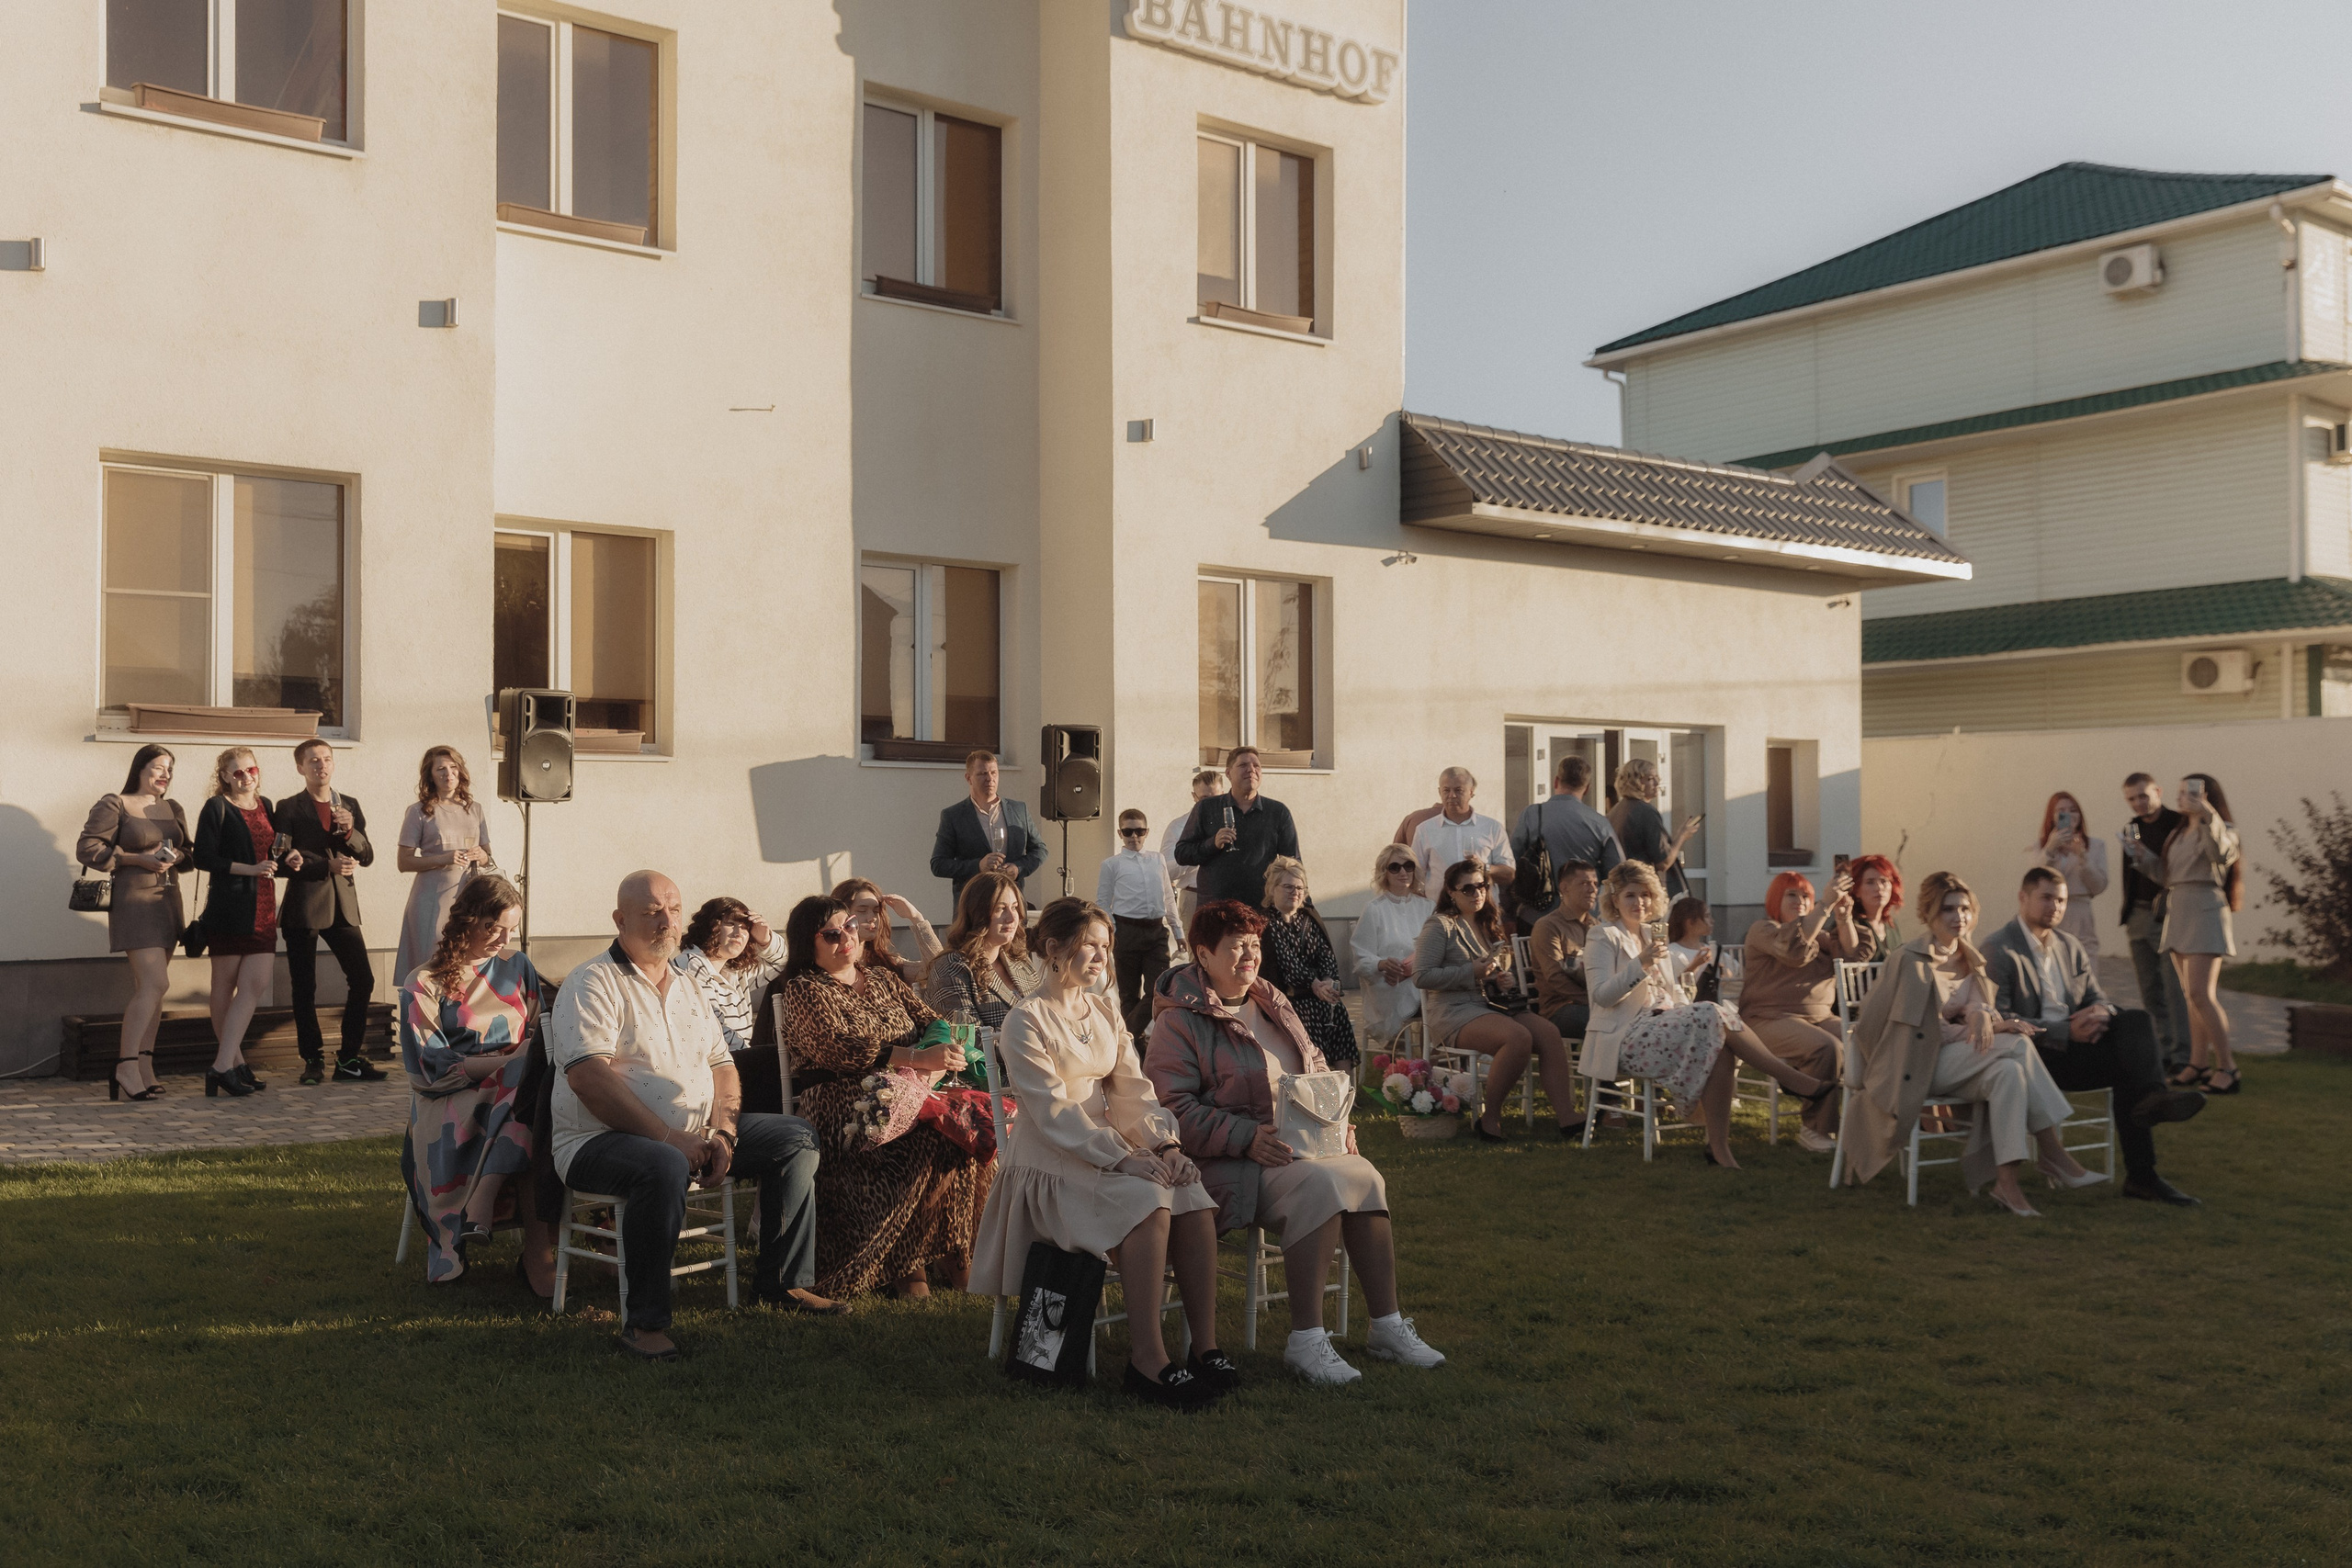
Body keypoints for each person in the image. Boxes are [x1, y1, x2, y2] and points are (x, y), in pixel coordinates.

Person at [1147, 899, 1447, 1385]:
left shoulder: (1272, 1001)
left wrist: (1336, 1121)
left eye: (1254, 944)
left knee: (1365, 1175)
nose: (1249, 955)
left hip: (1297, 1147)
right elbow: (1168, 1107)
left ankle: (1386, 1325)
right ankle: (1307, 1340)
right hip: (1224, 1162)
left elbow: (1316, 1072)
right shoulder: (1179, 1021)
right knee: (1319, 1186)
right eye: (1235, 946)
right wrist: (1244, 1137)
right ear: (1202, 956)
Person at [550, 871, 838, 1361]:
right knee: (662, 1164)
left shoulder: (688, 984)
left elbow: (723, 1066)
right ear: (620, 920)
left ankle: (784, 1284)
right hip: (596, 1140)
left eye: (674, 909)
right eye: (650, 912)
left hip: (696, 1130)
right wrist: (670, 1139)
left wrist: (723, 1133)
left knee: (795, 1137)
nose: (667, 920)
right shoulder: (592, 981)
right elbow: (588, 1079)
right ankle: (644, 1324)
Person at [971, 897, 1227, 1408]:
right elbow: (1052, 1113)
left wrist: (1164, 1143)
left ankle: (1206, 1348)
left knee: (1191, 1195)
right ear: (1053, 949)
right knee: (1146, 1200)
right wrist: (1120, 1157)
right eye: (1089, 946)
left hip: (1104, 1145)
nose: (1101, 958)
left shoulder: (1106, 1010)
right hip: (1049, 1158)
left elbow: (1133, 1091)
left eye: (1106, 948)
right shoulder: (1027, 1021)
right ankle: (1147, 1360)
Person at [1838, 871, 2098, 1216]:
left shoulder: (1969, 957)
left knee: (2008, 1074)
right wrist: (1995, 1025)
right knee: (2017, 1045)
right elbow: (1921, 1031)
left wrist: (1983, 1016)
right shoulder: (1911, 960)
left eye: (1964, 908)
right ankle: (2054, 1153)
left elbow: (1978, 1009)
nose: (1958, 916)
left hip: (1959, 1059)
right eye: (1948, 909)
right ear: (1931, 913)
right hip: (1919, 1066)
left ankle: (2007, 1185)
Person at [775, 896, 991, 1300]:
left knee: (962, 1134)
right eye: (832, 933)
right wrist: (914, 1057)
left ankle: (955, 1256)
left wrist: (940, 1054)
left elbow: (933, 1021)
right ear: (810, 943)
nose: (847, 938)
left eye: (851, 926)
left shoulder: (881, 978)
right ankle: (907, 1266)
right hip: (846, 1103)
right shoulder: (805, 989)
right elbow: (838, 1048)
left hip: (912, 1091)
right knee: (929, 1139)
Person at [1979, 868, 2208, 1205]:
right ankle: (2146, 1150)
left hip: (2076, 1050)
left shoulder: (2069, 946)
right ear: (2022, 897)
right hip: (2033, 1059)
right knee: (2130, 1066)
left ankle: (2146, 1155)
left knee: (2135, 1020)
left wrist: (2102, 1013)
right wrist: (2063, 1030)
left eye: (2061, 900)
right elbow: (1999, 1018)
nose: (2055, 907)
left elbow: (2095, 997)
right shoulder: (1999, 948)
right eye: (2046, 898)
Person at [1585, 863, 1833, 1168]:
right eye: (1630, 896)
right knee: (1713, 1012)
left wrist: (1681, 1004)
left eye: (1646, 895)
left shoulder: (1654, 934)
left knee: (1720, 1044)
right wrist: (1641, 963)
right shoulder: (1602, 935)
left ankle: (1719, 1149)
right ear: (1615, 900)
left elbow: (1671, 991)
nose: (1640, 903)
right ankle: (1791, 1078)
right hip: (1624, 1037)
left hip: (1661, 1027)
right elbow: (1601, 996)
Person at [398, 874, 556, 1285]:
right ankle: (541, 1265)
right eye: (492, 927)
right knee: (529, 1088)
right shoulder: (424, 982)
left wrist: (522, 1061)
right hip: (454, 1100)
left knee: (531, 1086)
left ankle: (486, 1197)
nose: (502, 939)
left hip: (516, 1093)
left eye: (511, 929)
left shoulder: (518, 968)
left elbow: (541, 1032)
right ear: (466, 919)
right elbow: (429, 1066)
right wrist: (511, 1063)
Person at [1413, 859, 1580, 1140]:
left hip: (1494, 1005)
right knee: (1517, 1038)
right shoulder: (1440, 925)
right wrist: (1471, 972)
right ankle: (1490, 1119)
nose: (1477, 893)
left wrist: (1504, 979)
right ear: (1451, 892)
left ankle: (1567, 1117)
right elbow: (1422, 976)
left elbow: (1497, 970)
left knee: (1549, 1033)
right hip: (1454, 1010)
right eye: (1468, 888)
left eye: (1481, 886)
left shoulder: (1488, 922)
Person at [75, 744, 191, 1102]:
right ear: (140, 769)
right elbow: (87, 848)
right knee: (156, 983)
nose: (164, 774)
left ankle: (144, 1066)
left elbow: (191, 854)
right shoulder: (116, 803)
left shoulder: (172, 808)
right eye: (158, 767)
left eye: (169, 769)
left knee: (152, 989)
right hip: (134, 903)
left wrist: (175, 857)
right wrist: (137, 859)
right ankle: (125, 1065)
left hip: (167, 901)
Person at [192, 747, 300, 1100]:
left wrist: (289, 860)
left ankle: (224, 1064)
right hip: (229, 906)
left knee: (254, 986)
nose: (246, 777)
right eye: (237, 773)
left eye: (250, 770)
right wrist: (250, 869)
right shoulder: (218, 807)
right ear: (224, 776)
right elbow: (204, 857)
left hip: (264, 906)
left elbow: (272, 856)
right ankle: (231, 1063)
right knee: (224, 986)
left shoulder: (266, 805)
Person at [272, 738, 382, 1085]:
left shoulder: (348, 804)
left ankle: (348, 1058)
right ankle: (312, 1059)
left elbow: (366, 856)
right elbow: (281, 859)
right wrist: (325, 866)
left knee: (363, 980)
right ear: (300, 767)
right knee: (304, 986)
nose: (321, 765)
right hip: (304, 906)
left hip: (343, 907)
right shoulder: (288, 807)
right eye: (313, 760)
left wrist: (350, 830)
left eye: (327, 759)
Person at [2128, 773, 2245, 1095]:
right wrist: (2140, 857)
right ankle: (2197, 1064)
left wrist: (2209, 815)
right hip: (2178, 911)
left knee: (2201, 994)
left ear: (2208, 796)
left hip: (2206, 910)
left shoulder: (2221, 828)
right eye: (2180, 792)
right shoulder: (2178, 833)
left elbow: (2220, 854)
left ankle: (2228, 1068)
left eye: (2190, 792)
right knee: (2190, 996)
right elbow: (2168, 875)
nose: (2182, 797)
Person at [1740, 869, 1868, 1156]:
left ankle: (1868, 1125)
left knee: (1865, 1039)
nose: (1800, 900)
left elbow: (1853, 955)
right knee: (1828, 1048)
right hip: (1768, 1018)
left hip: (1821, 1016)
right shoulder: (1763, 930)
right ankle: (1815, 1129)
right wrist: (1824, 905)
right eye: (1791, 894)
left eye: (1806, 896)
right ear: (1776, 899)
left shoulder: (1822, 935)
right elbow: (1793, 949)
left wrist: (1844, 917)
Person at [393, 746, 492, 987]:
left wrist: (481, 855)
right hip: (431, 898)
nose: (448, 774)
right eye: (441, 769)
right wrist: (444, 858)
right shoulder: (419, 811)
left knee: (466, 961)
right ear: (431, 776)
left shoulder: (474, 809)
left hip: (468, 897)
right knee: (432, 962)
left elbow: (489, 856)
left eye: (453, 767)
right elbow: (403, 862)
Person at [2117, 773, 2192, 1076]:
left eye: (2143, 796)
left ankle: (2182, 1056)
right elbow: (2129, 877)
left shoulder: (2178, 824)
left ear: (2158, 791)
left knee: (2174, 988)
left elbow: (2176, 872)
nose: (2139, 803)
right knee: (2149, 988)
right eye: (2132, 798)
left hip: (2170, 914)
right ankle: (2161, 1052)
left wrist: (2146, 856)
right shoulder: (2130, 828)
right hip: (2137, 913)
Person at [1258, 856, 1359, 1073]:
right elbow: (1288, 964)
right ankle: (1315, 1084)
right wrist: (1314, 985)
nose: (1295, 892)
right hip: (1288, 997)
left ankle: (1345, 1089)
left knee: (1337, 1011)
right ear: (1272, 888)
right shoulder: (1267, 922)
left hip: (1318, 993)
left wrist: (1328, 981)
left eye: (1299, 888)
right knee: (1309, 1015)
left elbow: (1327, 956)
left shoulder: (1309, 918)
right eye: (1287, 886)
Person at [1174, 747, 1301, 908]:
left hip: (1260, 908)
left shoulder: (1277, 812)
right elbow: (1182, 854)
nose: (1251, 770)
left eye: (1256, 766)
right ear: (1228, 773)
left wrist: (1301, 906)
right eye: (1243, 765)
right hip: (1216, 909)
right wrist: (1212, 844)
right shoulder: (1207, 808)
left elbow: (1293, 864)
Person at [1510, 755, 1624, 924]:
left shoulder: (1532, 814)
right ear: (1587, 789)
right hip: (1584, 916)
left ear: (1556, 781)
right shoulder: (1599, 823)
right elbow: (1617, 871)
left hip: (1535, 913)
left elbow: (1511, 862)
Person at [1096, 808, 1179, 1039]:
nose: (1134, 837)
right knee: (1128, 995)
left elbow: (1168, 896)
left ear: (1147, 831)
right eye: (1128, 832)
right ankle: (1134, 1048)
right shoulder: (1111, 865)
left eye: (1139, 831)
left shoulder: (1157, 859)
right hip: (1126, 930)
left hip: (1155, 931)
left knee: (1160, 989)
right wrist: (1113, 931)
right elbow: (1103, 902)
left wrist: (1178, 929)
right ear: (1120, 833)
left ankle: (1124, 1037)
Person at [923, 871, 1041, 1032]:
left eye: (1014, 908)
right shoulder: (952, 968)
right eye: (1001, 909)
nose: (1012, 918)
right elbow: (969, 1041)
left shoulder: (1018, 960)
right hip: (997, 1056)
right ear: (977, 914)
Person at [930, 750, 1046, 904]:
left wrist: (1018, 869)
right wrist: (978, 866)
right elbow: (938, 864)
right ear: (969, 778)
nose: (990, 779)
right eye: (982, 773)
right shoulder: (953, 816)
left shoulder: (1019, 810)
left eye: (994, 773)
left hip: (1012, 902)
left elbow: (1040, 850)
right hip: (973, 905)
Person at [1351, 845, 1433, 1050]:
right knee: (1432, 1000)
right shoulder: (1374, 909)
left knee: (1442, 997)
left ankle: (1438, 1061)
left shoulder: (1428, 907)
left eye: (1408, 866)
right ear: (1384, 872)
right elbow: (1361, 958)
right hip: (1389, 984)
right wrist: (1381, 964)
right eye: (1394, 867)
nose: (1403, 872)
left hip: (1424, 978)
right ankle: (1407, 1062)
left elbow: (1439, 948)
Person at [678, 897, 787, 1049]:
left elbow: (781, 963)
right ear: (709, 926)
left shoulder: (734, 972)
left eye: (745, 928)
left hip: (736, 1057)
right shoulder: (691, 965)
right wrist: (749, 1058)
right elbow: (713, 1028)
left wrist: (765, 940)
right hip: (715, 1063)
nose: (739, 933)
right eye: (730, 924)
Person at [1408, 767, 1513, 896]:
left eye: (1458, 790)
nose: (1452, 795)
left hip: (1481, 910)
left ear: (1471, 792)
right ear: (1439, 792)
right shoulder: (1425, 830)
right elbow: (1414, 875)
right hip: (1439, 910)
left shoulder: (1492, 827)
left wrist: (1484, 868)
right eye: (1446, 790)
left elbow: (1509, 874)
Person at [1528, 860, 1600, 1042]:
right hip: (1560, 1009)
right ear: (1564, 888)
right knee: (1612, 1021)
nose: (1592, 889)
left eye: (1595, 884)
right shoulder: (1548, 926)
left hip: (1595, 1002)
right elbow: (1555, 978)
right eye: (1584, 883)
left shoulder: (1597, 926)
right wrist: (1592, 1001)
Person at [1607, 758, 1700, 900]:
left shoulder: (1615, 812)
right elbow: (1664, 862)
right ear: (1635, 781)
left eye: (1657, 778)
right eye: (1650, 778)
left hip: (1622, 890)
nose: (1657, 783)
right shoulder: (1646, 812)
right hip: (1644, 890)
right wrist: (1682, 836)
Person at [2031, 791, 2109, 959]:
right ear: (2051, 816)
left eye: (2073, 810)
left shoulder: (2095, 846)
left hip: (2079, 912)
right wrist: (2050, 850)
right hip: (2048, 911)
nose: (2068, 814)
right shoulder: (2041, 846)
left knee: (2083, 966)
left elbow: (2098, 886)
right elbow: (2033, 881)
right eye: (2061, 811)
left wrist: (2083, 857)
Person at [830, 876, 944, 985]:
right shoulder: (827, 963)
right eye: (862, 911)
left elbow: (940, 970)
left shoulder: (889, 964)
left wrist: (916, 918)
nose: (872, 917)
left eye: (876, 911)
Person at [1163, 768, 1223, 931]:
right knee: (1197, 955)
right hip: (1193, 897)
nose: (1210, 804)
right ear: (1194, 797)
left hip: (1227, 896)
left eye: (1216, 798)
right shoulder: (1178, 827)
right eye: (1204, 798)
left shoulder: (1233, 824)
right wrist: (1199, 853)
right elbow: (1165, 872)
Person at [1848, 853, 1905, 962]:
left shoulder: (1891, 924)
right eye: (1870, 882)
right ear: (1856, 890)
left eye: (1884, 881)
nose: (1879, 888)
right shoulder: (1850, 925)